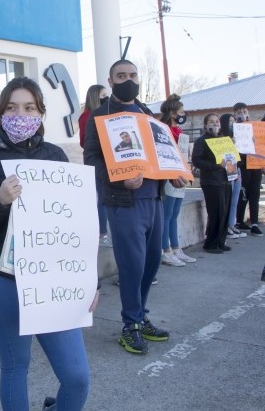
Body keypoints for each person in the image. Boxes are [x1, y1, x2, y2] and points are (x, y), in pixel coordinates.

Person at [0, 77, 97, 411]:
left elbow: (74, 225)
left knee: (77, 377)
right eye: (12, 107)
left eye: (29, 107)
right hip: (1, 282)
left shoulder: (55, 156)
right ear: (1, 112)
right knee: (15, 367)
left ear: (41, 113)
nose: (20, 114)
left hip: (52, 283)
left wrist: (86, 282)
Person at [84, 59, 186, 354]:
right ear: (111, 79)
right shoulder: (99, 115)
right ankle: (130, 325)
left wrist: (174, 174)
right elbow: (91, 159)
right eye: (121, 75)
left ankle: (140, 317)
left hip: (154, 199)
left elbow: (159, 154)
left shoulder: (146, 113)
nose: (128, 79)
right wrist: (118, 181)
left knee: (152, 263)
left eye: (132, 75)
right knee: (132, 266)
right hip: (123, 202)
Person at [158, 94, 195, 267]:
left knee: (174, 214)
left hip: (181, 174)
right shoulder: (164, 130)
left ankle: (175, 247)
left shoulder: (180, 133)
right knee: (167, 215)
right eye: (182, 112)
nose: (183, 114)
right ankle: (165, 250)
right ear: (173, 113)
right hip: (169, 176)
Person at [192, 114, 232, 254]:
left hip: (225, 180)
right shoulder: (201, 141)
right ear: (205, 125)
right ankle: (211, 243)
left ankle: (220, 241)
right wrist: (216, 165)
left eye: (217, 121)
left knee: (225, 212)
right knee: (216, 212)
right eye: (211, 122)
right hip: (211, 181)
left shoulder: (224, 140)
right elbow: (197, 161)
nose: (214, 124)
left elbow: (231, 159)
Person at [78, 84, 110, 246]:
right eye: (103, 94)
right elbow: (85, 142)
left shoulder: (106, 115)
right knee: (102, 197)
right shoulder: (87, 116)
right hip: (97, 162)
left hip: (109, 161)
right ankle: (101, 232)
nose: (107, 97)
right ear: (95, 96)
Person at [232, 103, 264, 237]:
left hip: (255, 164)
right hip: (242, 165)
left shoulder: (254, 128)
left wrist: (263, 163)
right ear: (235, 115)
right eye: (239, 112)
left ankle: (254, 223)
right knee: (243, 194)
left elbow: (263, 146)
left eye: (244, 111)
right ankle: (239, 220)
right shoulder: (231, 129)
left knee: (255, 194)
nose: (242, 114)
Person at [219, 114, 247, 240]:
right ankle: (226, 226)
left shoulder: (237, 136)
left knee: (235, 199)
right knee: (228, 199)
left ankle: (232, 224)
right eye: (229, 121)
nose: (232, 123)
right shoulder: (220, 136)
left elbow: (242, 154)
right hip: (227, 169)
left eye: (233, 121)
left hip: (237, 168)